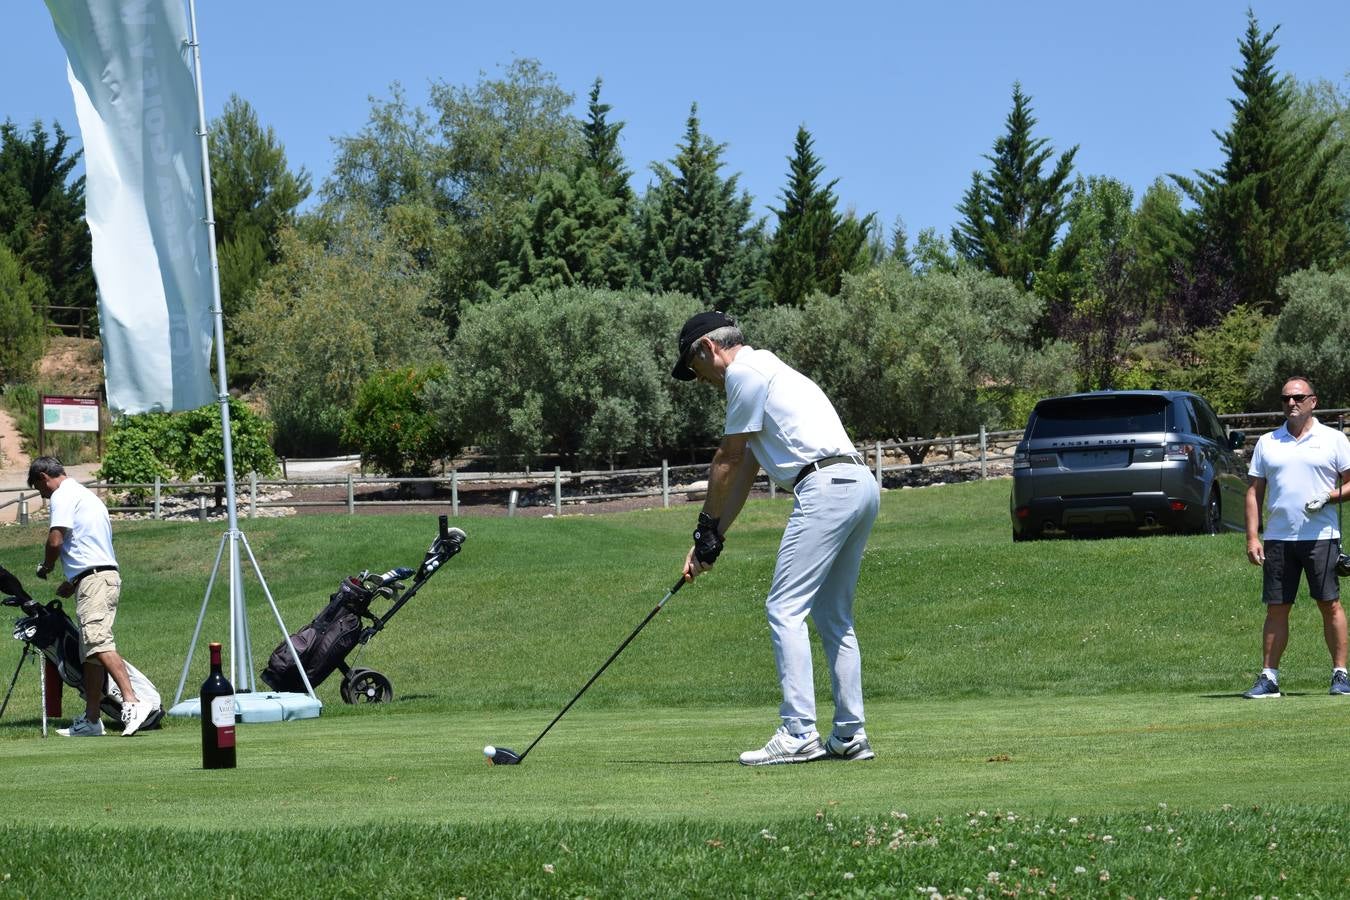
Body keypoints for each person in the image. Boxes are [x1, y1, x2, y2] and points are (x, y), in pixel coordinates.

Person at [672, 311, 880, 765]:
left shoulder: (743, 374)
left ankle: (798, 731)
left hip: (824, 488)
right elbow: (746, 469)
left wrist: (703, 524)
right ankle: (849, 734)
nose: (699, 380)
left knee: (784, 608)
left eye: (694, 368)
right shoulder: (771, 369)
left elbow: (725, 460)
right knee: (833, 615)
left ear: (708, 349)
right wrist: (714, 538)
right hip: (859, 485)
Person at [28, 456, 154, 735]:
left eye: (41, 490)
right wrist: (73, 583)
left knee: (97, 641)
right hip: (97, 577)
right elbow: (91, 545)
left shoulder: (63, 494)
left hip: (95, 581)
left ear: (43, 477)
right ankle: (92, 719)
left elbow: (56, 539)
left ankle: (133, 702)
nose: (44, 496)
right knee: (91, 654)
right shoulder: (86, 496)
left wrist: (46, 566)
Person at [1241, 377, 1350, 699]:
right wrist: (1252, 537)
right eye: (1286, 398)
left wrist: (1330, 496)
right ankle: (1269, 678)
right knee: (1277, 607)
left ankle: (1341, 675)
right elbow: (1253, 491)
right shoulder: (1268, 442)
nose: (1292, 403)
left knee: (1329, 604)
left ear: (1313, 401)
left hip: (1322, 536)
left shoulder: (1333, 440)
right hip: (1277, 538)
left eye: (1299, 398)